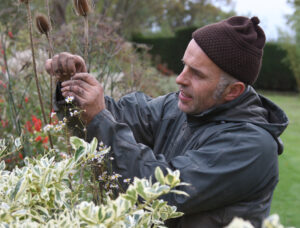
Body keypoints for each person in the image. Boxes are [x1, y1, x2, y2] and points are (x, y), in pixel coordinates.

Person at [46, 16, 288, 228]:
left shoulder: (251, 147)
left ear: (233, 91)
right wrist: (73, 89)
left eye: (198, 74)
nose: (180, 79)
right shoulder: (178, 108)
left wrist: (99, 118)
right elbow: (114, 115)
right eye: (185, 66)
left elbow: (156, 189)